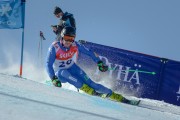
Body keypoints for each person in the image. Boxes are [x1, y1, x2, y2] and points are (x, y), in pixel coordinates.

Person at [46, 26, 140, 105]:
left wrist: (99, 62)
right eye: (67, 38)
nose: (69, 41)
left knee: (92, 84)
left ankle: (118, 97)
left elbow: (90, 53)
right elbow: (48, 64)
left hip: (73, 68)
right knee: (63, 72)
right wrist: (53, 78)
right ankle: (90, 92)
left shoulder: (75, 45)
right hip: (60, 75)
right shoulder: (55, 47)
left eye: (71, 39)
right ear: (62, 37)